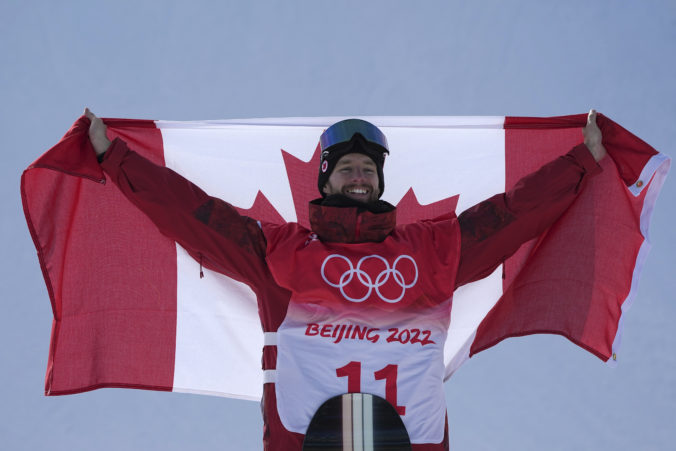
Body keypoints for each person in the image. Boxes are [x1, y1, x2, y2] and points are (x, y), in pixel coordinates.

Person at [85, 108, 606, 450]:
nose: (359, 177)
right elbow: (195, 215)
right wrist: (117, 157)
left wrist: (582, 162)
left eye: (368, 170)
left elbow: (511, 216)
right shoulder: (282, 252)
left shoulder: (430, 250)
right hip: (306, 436)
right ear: (326, 178)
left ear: (379, 181)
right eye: (347, 168)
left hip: (410, 437)